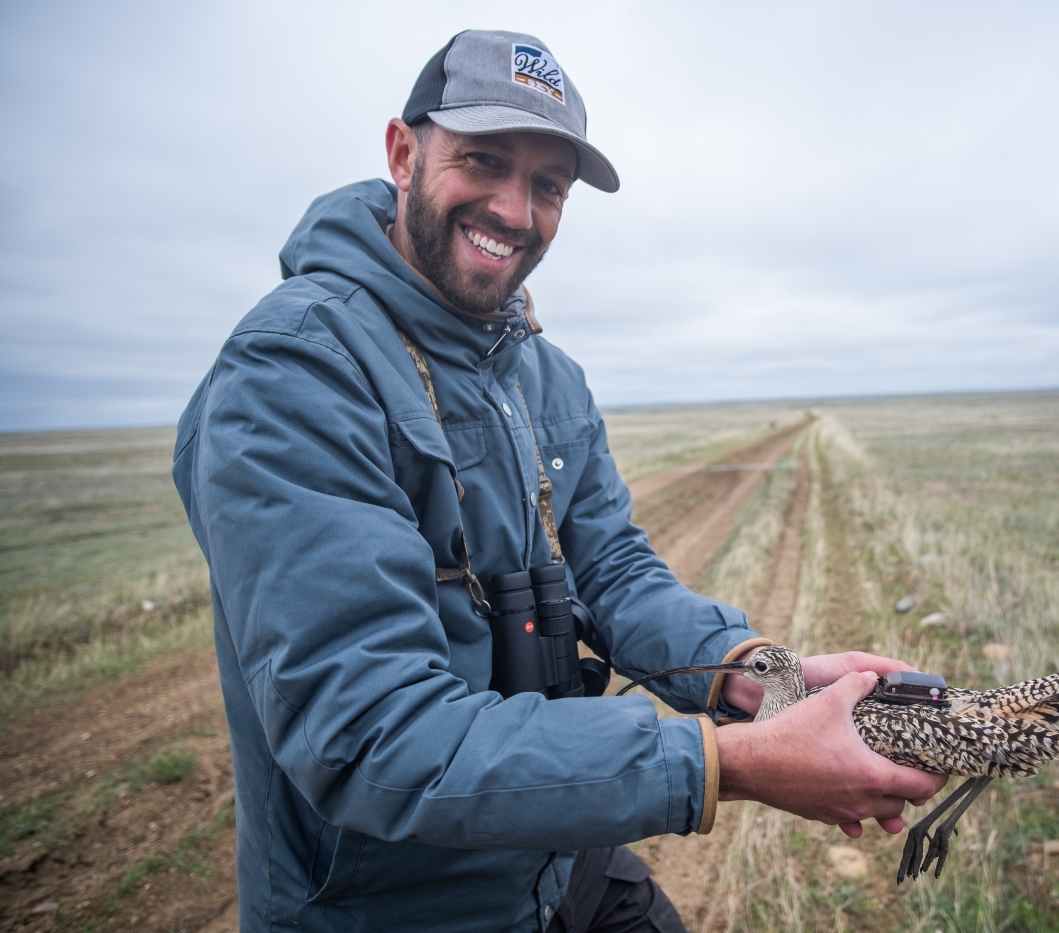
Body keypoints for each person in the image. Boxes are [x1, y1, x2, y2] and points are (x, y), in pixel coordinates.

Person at [172, 29, 944, 933]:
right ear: (402, 152)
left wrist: (750, 675)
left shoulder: (546, 376)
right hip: (393, 907)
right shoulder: (296, 370)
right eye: (484, 161)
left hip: (552, 850)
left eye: (548, 186)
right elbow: (374, 734)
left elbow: (612, 570)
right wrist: (727, 762)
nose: (514, 208)